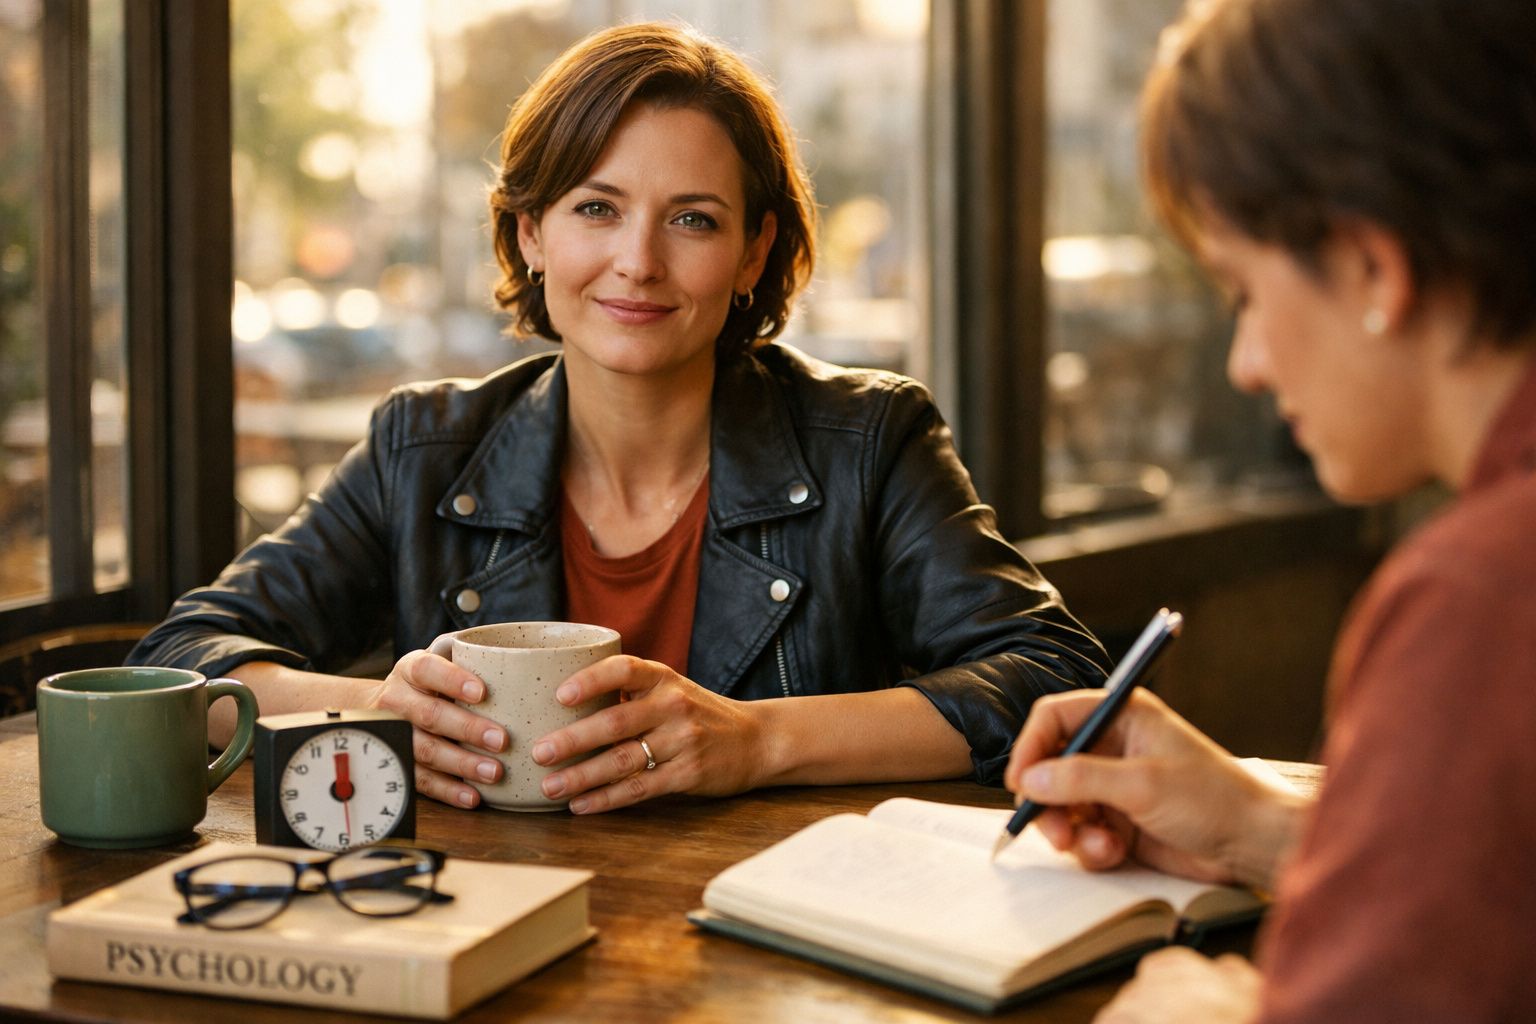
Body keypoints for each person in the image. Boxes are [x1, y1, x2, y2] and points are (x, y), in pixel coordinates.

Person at [131, 22, 1107, 814]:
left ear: (754, 252)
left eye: (692, 218)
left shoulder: (871, 441)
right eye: (597, 208)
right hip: (490, 934)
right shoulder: (423, 450)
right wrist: (380, 708)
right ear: (530, 233)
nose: (638, 260)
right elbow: (180, 660)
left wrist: (758, 740)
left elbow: (1054, 680)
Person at [1003, 0, 1536, 1020]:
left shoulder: (1479, 597)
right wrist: (1259, 824)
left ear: (1374, 268)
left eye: (1243, 291)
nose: (1244, 364)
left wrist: (1202, 1012)